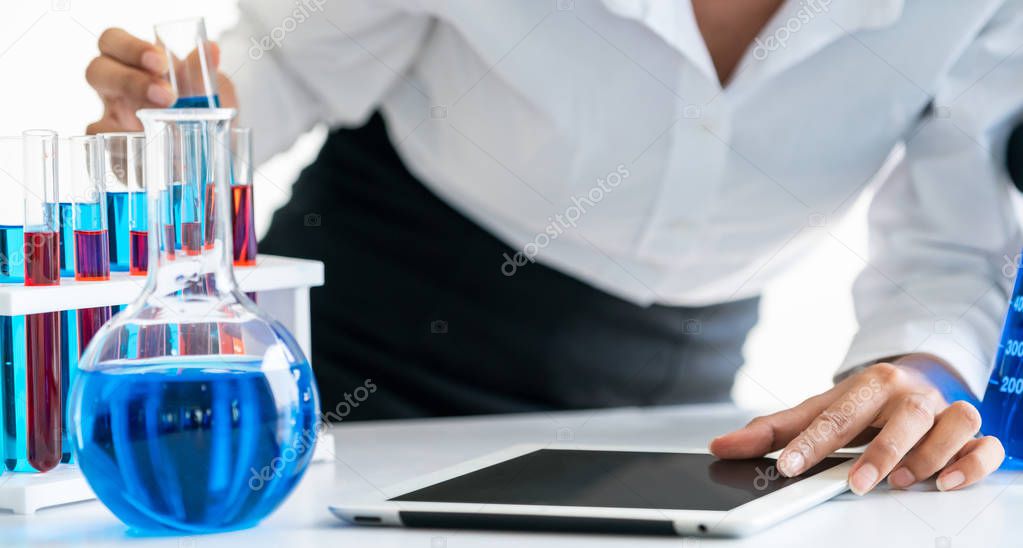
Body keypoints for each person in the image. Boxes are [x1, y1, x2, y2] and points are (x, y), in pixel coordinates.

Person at [84, 0, 1020, 496]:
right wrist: (179, 114)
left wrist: (917, 374)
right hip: (357, 359)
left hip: (680, 422)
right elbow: (276, 65)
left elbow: (953, 243)